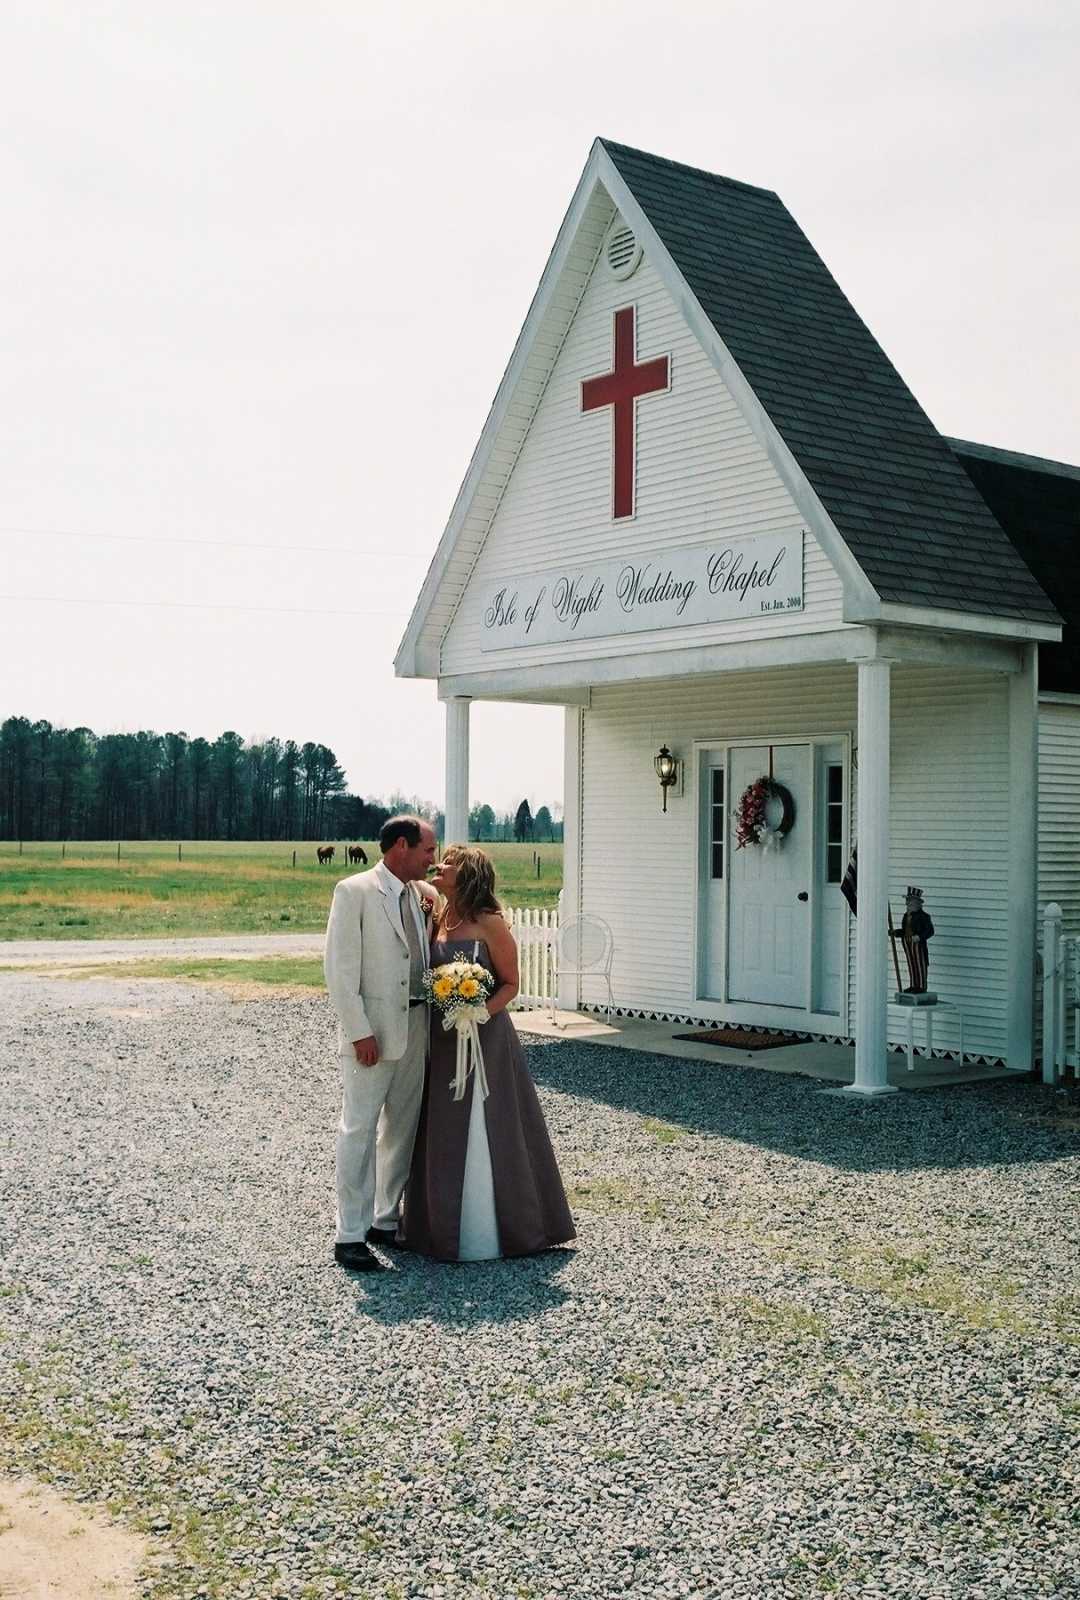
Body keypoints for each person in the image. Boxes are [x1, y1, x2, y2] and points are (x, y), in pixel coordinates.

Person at [400, 845, 575, 1262]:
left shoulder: (490, 923)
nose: (439, 866)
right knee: (440, 1124)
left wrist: (476, 1011)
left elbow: (511, 984)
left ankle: (503, 1228)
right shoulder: (437, 916)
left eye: (449, 864)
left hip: (486, 1037)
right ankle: (437, 1229)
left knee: (491, 1121)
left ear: (469, 874)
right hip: (442, 1039)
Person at [324, 814, 437, 1272]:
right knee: (359, 1131)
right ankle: (349, 1234)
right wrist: (359, 1032)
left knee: (402, 1129)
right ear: (402, 847)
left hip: (416, 1028)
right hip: (372, 1035)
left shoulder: (418, 895)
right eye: (428, 850)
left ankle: (385, 1220)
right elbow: (339, 970)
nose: (434, 859)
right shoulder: (353, 892)